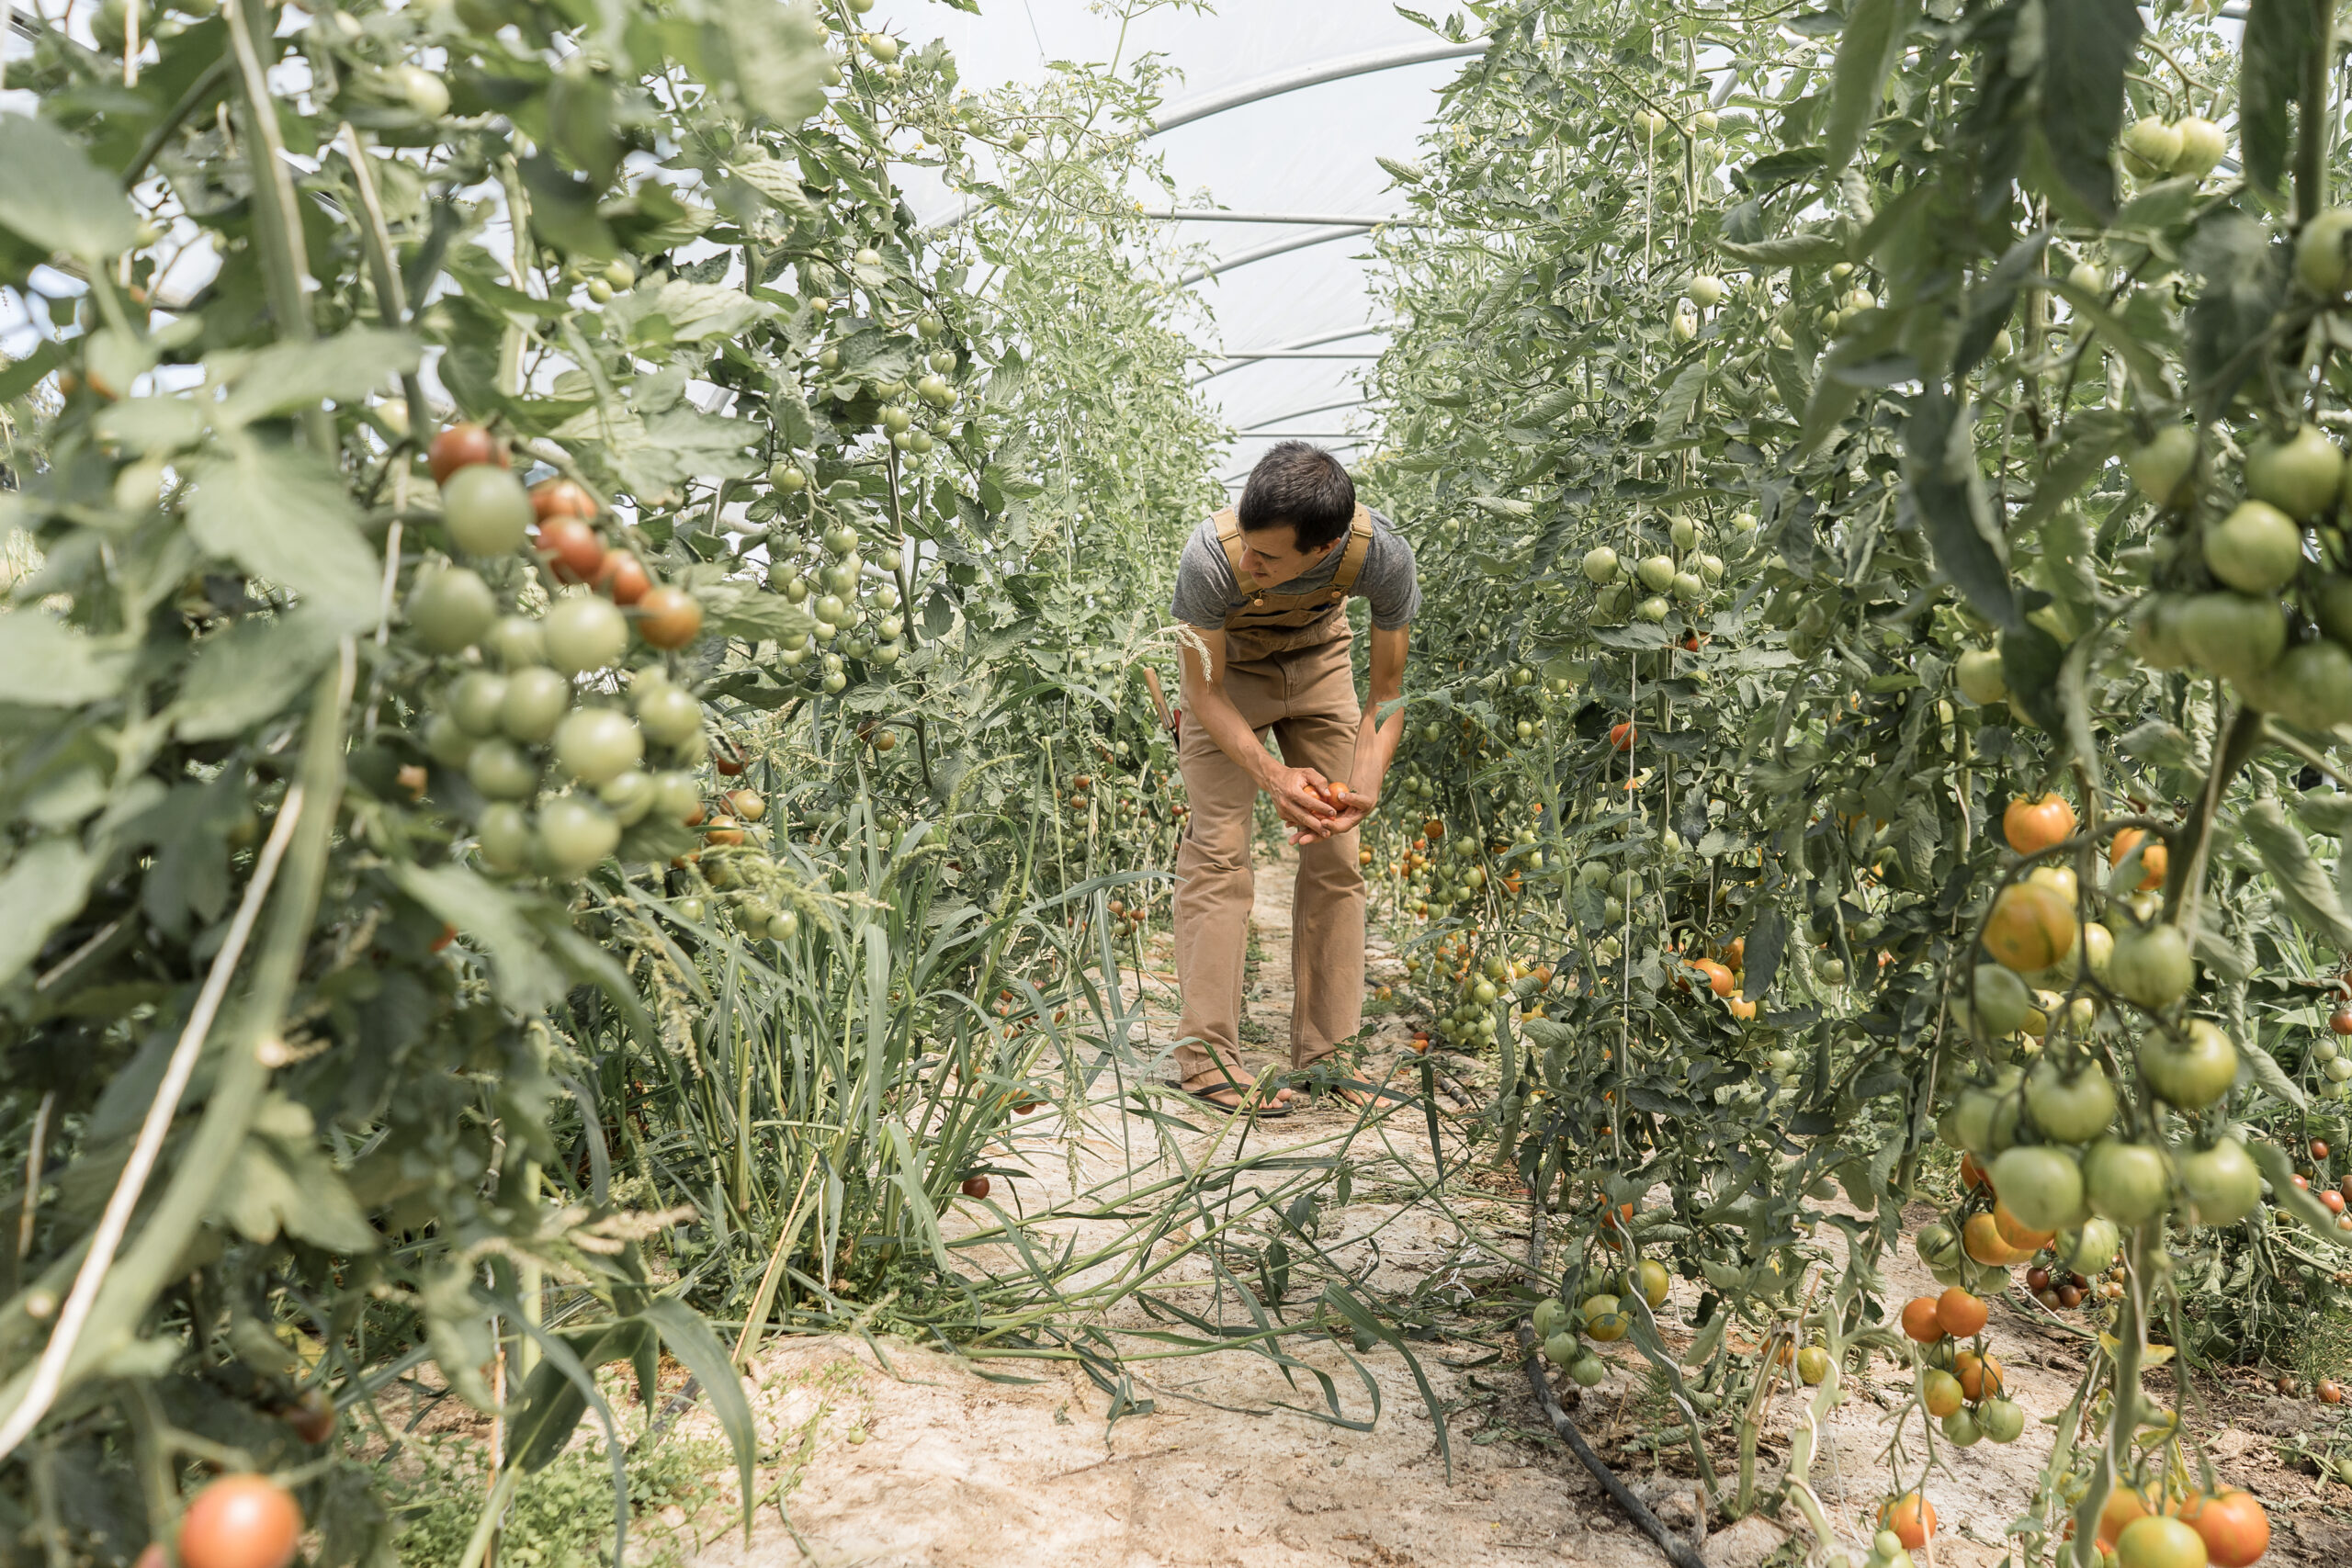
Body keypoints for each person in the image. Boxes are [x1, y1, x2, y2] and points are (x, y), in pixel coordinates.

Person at [1166, 442, 1418, 1112]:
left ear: (1324, 547)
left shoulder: (1380, 555)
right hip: (1228, 678)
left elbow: (1386, 696)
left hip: (1318, 660)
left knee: (1339, 858)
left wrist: (1361, 787)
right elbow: (1205, 693)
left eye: (1268, 558)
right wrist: (1275, 777)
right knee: (1218, 854)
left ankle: (1330, 1058)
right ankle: (1207, 1060)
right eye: (1247, 545)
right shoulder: (1210, 558)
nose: (1248, 563)